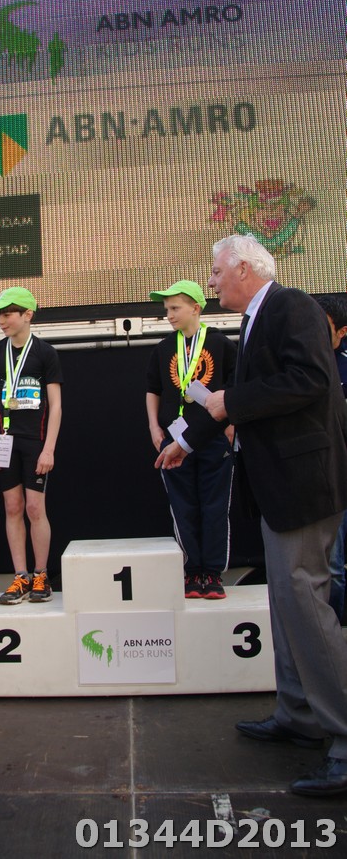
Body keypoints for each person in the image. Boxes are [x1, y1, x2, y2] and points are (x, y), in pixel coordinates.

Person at [198, 234, 347, 797]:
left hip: (303, 486)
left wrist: (231, 403)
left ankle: (343, 736)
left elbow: (310, 379)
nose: (212, 281)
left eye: (216, 271)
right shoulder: (258, 317)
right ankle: (299, 714)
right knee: (286, 605)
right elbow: (251, 395)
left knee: (305, 604)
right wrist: (190, 438)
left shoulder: (293, 306)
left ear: (243, 268)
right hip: (280, 488)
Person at [147, 280, 236, 599]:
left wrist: (231, 425)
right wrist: (154, 427)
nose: (169, 314)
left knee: (214, 505)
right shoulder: (163, 348)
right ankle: (191, 570)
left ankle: (212, 572)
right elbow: (153, 389)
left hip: (212, 437)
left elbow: (234, 388)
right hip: (174, 438)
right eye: (166, 309)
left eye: (175, 308)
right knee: (183, 505)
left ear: (195, 308)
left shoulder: (221, 344)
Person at [0, 287, 62, 605]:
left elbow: (56, 406)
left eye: (7, 314)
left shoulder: (45, 353)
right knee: (12, 507)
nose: (1, 321)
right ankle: (21, 576)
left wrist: (49, 448)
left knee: (34, 508)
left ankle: (41, 574)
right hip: (4, 442)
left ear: (27, 315)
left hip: (35, 442)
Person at [315, 293, 347, 622]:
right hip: (330, 478)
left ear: (342, 331)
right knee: (331, 566)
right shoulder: (305, 360)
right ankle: (332, 631)